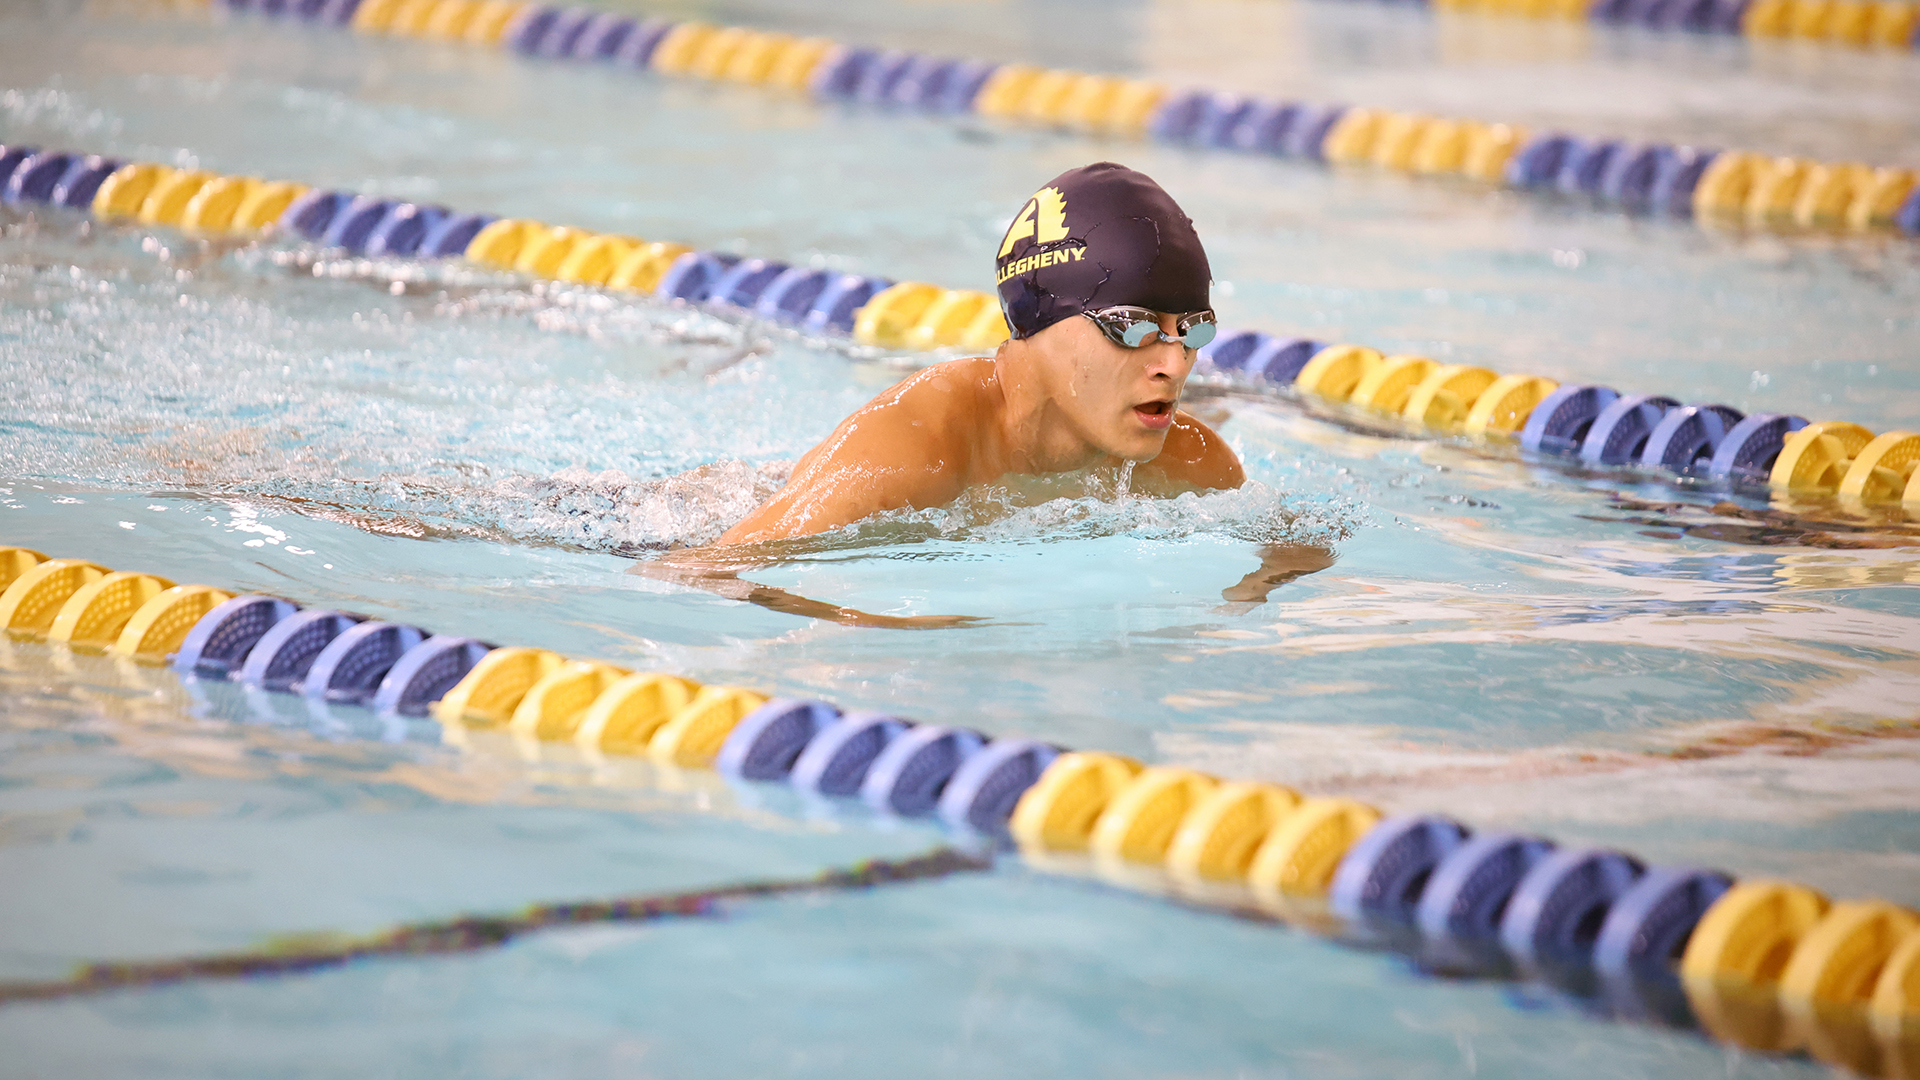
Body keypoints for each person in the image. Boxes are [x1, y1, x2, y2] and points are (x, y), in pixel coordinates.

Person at [643, 162, 1333, 627]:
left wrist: (1238, 608)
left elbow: (1300, 542)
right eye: (1134, 329)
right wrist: (883, 628)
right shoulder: (917, 443)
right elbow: (695, 571)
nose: (1174, 366)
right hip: (663, 519)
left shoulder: (1183, 460)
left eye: (1193, 331)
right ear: (1042, 322)